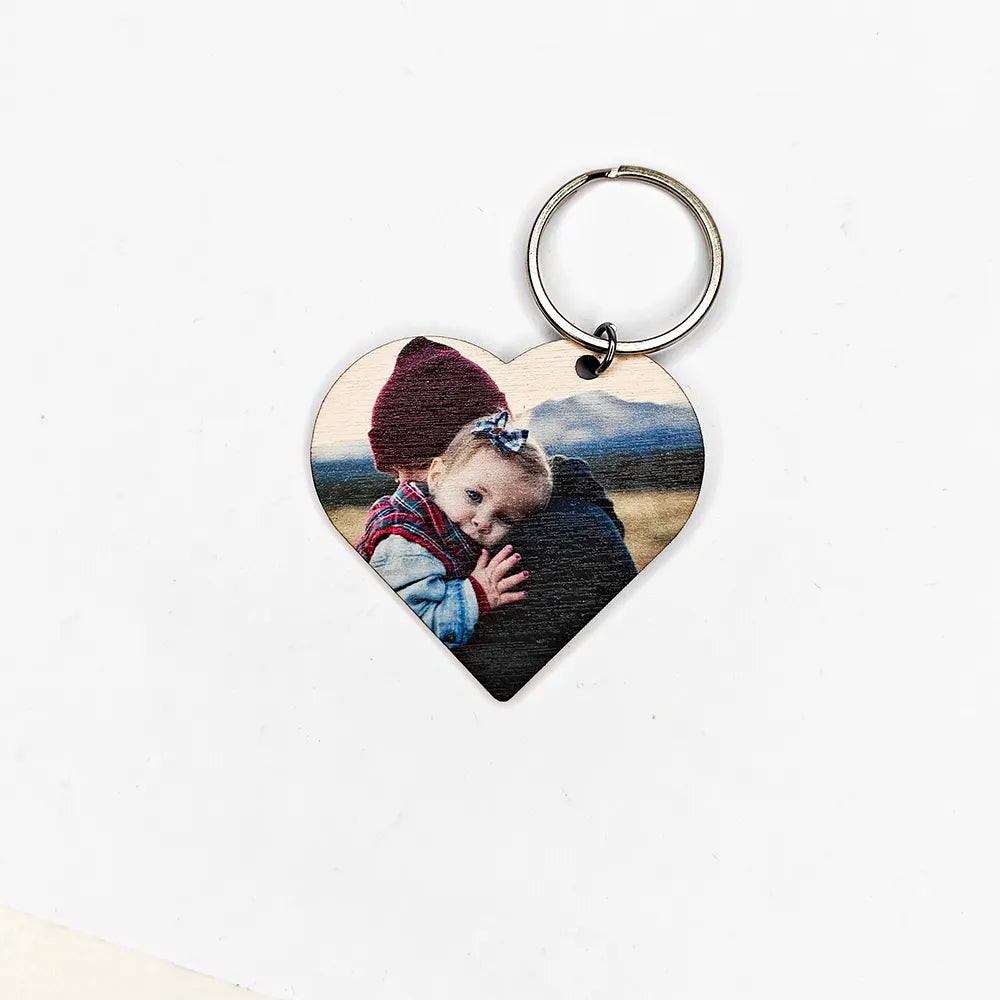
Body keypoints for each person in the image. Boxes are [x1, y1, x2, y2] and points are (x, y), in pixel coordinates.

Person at [366, 336, 637, 700]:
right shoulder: (537, 509)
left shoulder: (556, 535)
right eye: (394, 474)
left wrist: (473, 595)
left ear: (456, 458)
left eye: (412, 467)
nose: (403, 487)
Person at [356, 411, 551, 649]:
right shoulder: (408, 545)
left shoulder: (443, 529)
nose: (483, 522)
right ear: (437, 476)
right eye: (474, 496)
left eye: (505, 518)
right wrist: (476, 595)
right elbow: (402, 630)